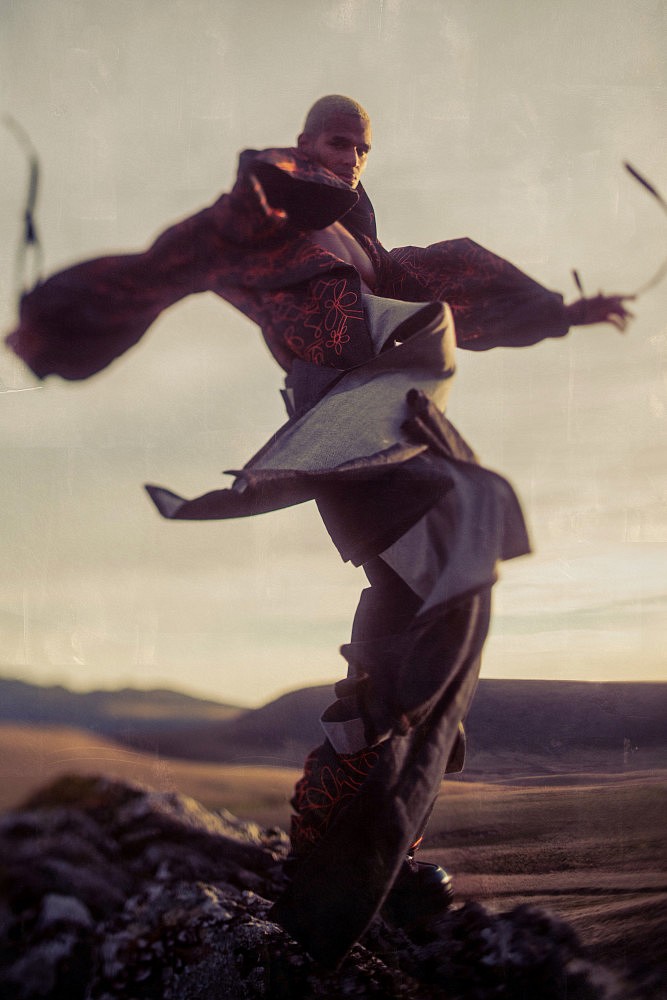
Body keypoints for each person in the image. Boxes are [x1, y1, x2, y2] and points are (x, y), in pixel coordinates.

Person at [5, 95, 632, 968]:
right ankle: (339, 849)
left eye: (361, 148)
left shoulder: (373, 254)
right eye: (336, 142)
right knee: (432, 583)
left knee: (450, 579)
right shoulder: (255, 215)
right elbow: (159, 267)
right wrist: (51, 331)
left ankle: (378, 837)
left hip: (396, 422)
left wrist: (564, 312)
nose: (349, 157)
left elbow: (461, 283)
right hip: (338, 431)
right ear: (304, 142)